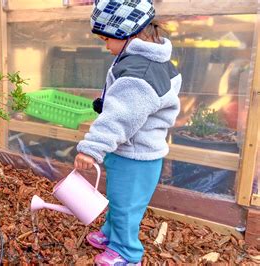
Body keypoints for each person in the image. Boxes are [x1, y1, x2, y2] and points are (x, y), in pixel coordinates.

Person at [74, 0, 182, 265]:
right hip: (130, 151)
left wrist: (91, 148)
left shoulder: (139, 73)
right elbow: (126, 106)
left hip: (136, 157)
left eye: (106, 39)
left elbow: (120, 117)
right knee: (118, 200)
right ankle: (111, 235)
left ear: (127, 33)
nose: (106, 46)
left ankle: (127, 253)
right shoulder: (146, 61)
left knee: (126, 208)